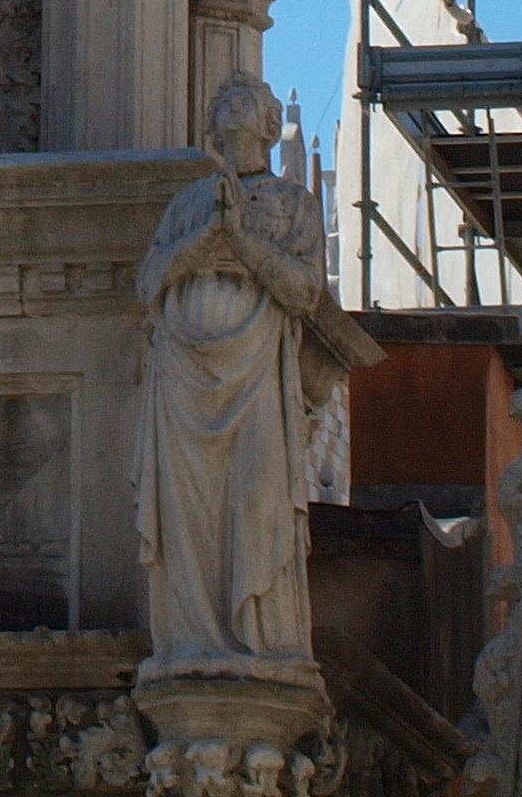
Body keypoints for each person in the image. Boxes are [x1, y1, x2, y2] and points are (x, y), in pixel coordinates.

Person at [135, 77, 333, 671]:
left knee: (257, 497)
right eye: (222, 102)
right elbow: (150, 282)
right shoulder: (188, 204)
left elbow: (303, 290)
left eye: (245, 101)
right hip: (183, 384)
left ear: (272, 127)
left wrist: (243, 246)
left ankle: (261, 643)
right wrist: (199, 245)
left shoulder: (295, 204)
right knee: (189, 516)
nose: (230, 108)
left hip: (256, 379)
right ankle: (191, 639)